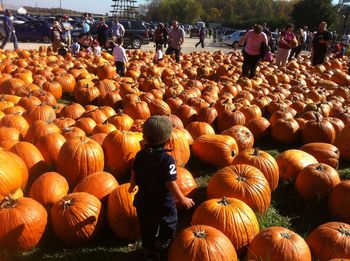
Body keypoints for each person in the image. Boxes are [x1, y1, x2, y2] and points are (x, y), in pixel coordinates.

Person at [129, 115, 195, 261]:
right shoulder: (167, 160)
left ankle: (148, 251)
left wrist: (132, 185)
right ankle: (162, 245)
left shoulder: (139, 155)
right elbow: (170, 183)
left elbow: (134, 171)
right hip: (162, 204)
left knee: (147, 229)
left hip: (144, 202)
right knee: (169, 225)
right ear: (168, 140)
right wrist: (182, 199)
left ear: (144, 138)